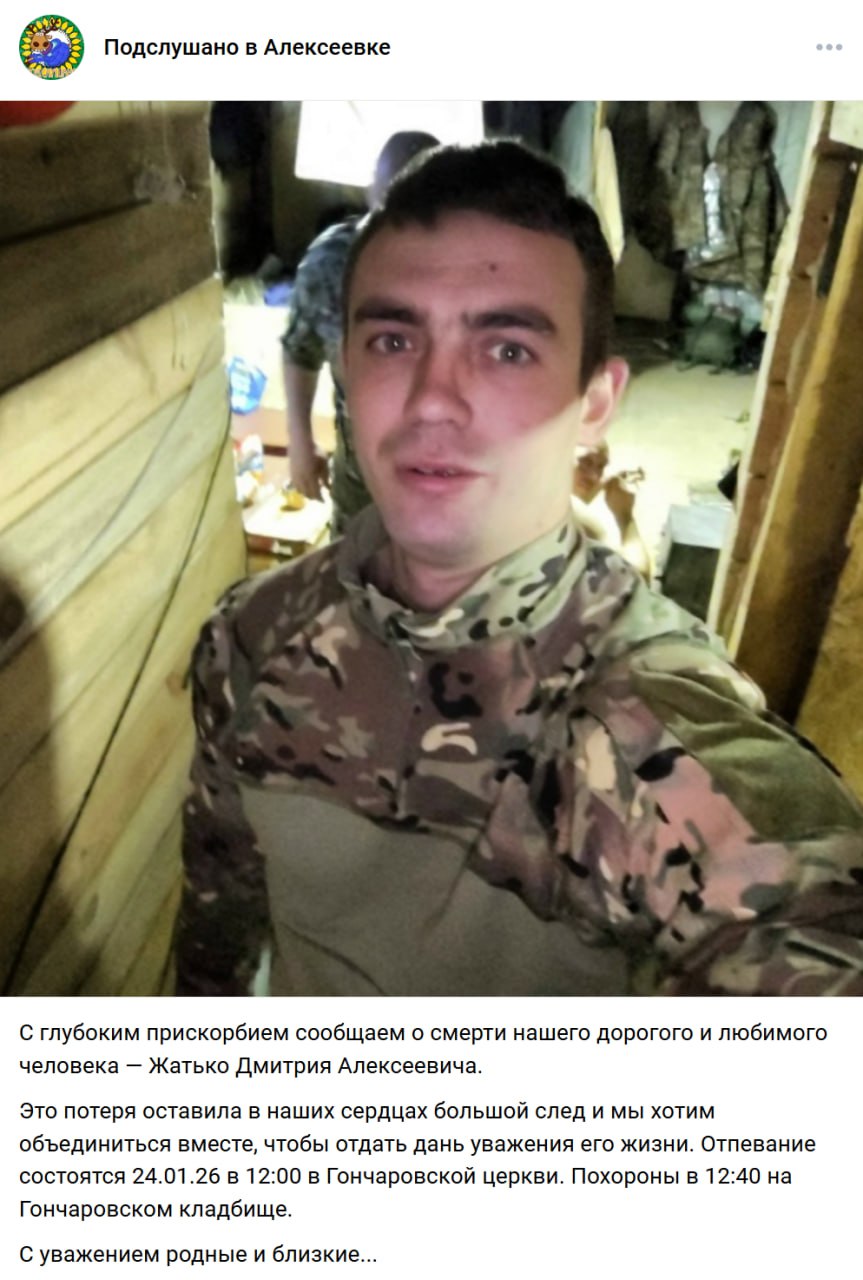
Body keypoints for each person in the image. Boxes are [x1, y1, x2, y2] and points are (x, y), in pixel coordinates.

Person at [176, 140, 863, 997]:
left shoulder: (637, 720)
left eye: (507, 350)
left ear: (594, 403)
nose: (433, 398)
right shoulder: (250, 637)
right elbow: (218, 913)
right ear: (346, 370)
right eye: (393, 339)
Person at [282, 130, 439, 532]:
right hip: (359, 491)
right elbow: (300, 349)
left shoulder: (472, 271)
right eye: (392, 211)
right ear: (372, 192)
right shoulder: (330, 265)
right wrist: (300, 441)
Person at [571, 441, 652, 579]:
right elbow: (635, 578)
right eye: (585, 463)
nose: (594, 477)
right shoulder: (573, 514)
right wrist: (625, 516)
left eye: (601, 467)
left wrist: (605, 485)